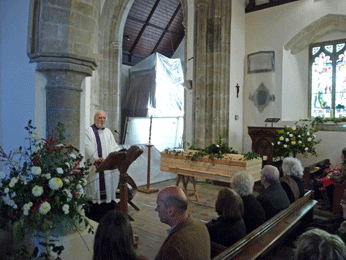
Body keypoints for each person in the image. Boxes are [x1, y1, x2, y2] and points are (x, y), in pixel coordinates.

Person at [155, 186, 211, 260]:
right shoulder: (200, 225)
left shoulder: (173, 248)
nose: (156, 209)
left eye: (159, 206)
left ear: (171, 211)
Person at [85, 110, 121, 221]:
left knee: (108, 192)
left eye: (104, 118)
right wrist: (95, 159)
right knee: (96, 192)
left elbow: (114, 146)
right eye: (100, 117)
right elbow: (87, 147)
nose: (102, 120)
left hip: (108, 169)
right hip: (97, 168)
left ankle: (108, 215)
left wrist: (119, 152)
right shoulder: (88, 131)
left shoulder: (108, 132)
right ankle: (95, 217)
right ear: (95, 118)